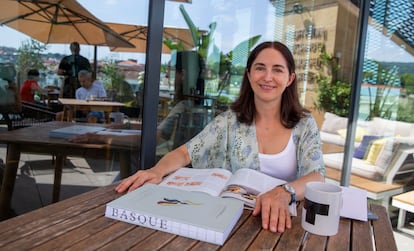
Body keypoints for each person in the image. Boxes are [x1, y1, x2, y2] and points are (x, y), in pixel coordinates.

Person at [113, 41, 326, 233]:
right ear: (249, 74)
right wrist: (156, 171)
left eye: (277, 70)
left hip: (280, 224)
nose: (267, 77)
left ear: (290, 79)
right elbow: (185, 152)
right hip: (230, 221)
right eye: (260, 68)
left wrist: (284, 191)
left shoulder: (304, 124)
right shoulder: (228, 121)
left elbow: (317, 177)